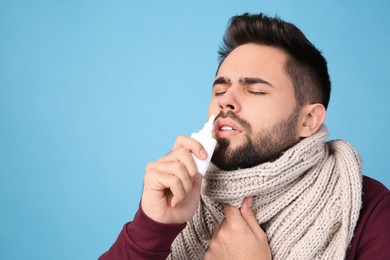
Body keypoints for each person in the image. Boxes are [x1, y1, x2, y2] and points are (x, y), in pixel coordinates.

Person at [100, 13, 390, 260]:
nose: (226, 100)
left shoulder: (371, 210)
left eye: (255, 90)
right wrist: (152, 227)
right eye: (219, 90)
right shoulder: (181, 195)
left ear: (308, 120)